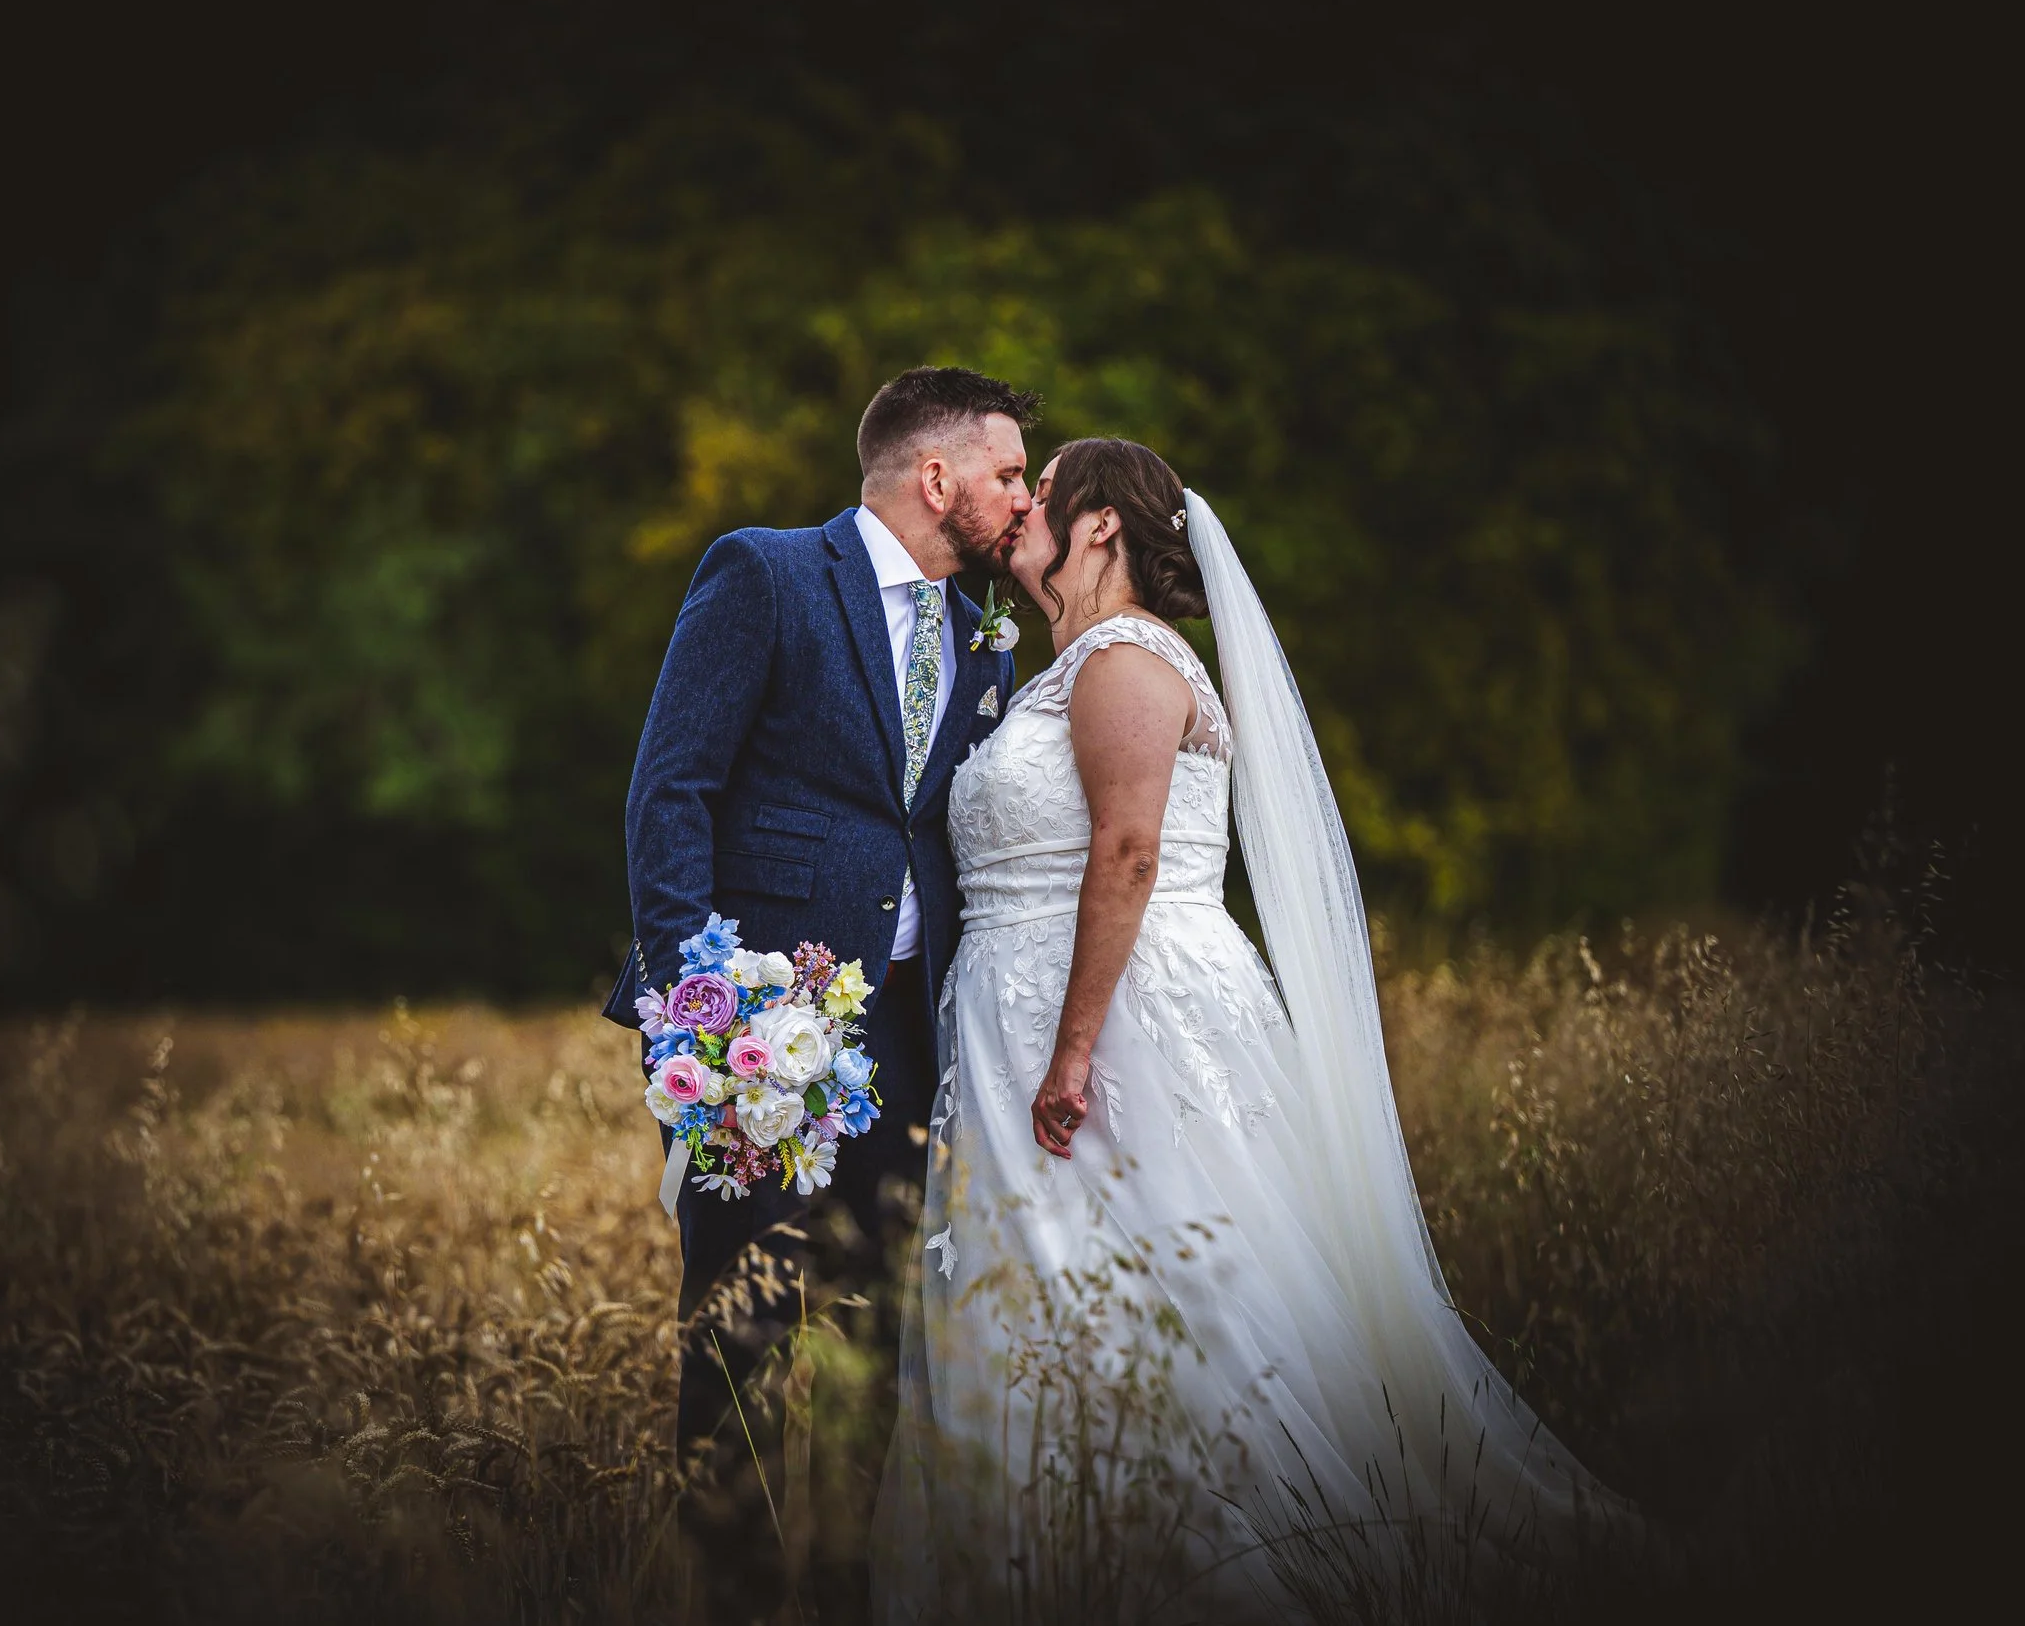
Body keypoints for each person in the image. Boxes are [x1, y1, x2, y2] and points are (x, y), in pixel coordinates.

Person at [872, 439, 1623, 1623]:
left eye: (1040, 485)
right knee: (1060, 1299)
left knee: (1157, 1294)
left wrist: (1071, 1053)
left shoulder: (1123, 659)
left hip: (1113, 1028)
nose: (1016, 505)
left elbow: (1126, 853)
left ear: (1102, 524)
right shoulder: (1064, 665)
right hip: (1024, 1016)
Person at [608, 366, 1036, 1570]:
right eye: (1006, 474)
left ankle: (853, 1586)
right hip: (757, 1032)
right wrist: (695, 1010)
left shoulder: (984, 634)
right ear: (934, 475)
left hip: (908, 1045)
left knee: (875, 1344)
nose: (1021, 499)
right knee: (740, 1338)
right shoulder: (768, 572)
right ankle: (731, 1593)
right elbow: (670, 789)